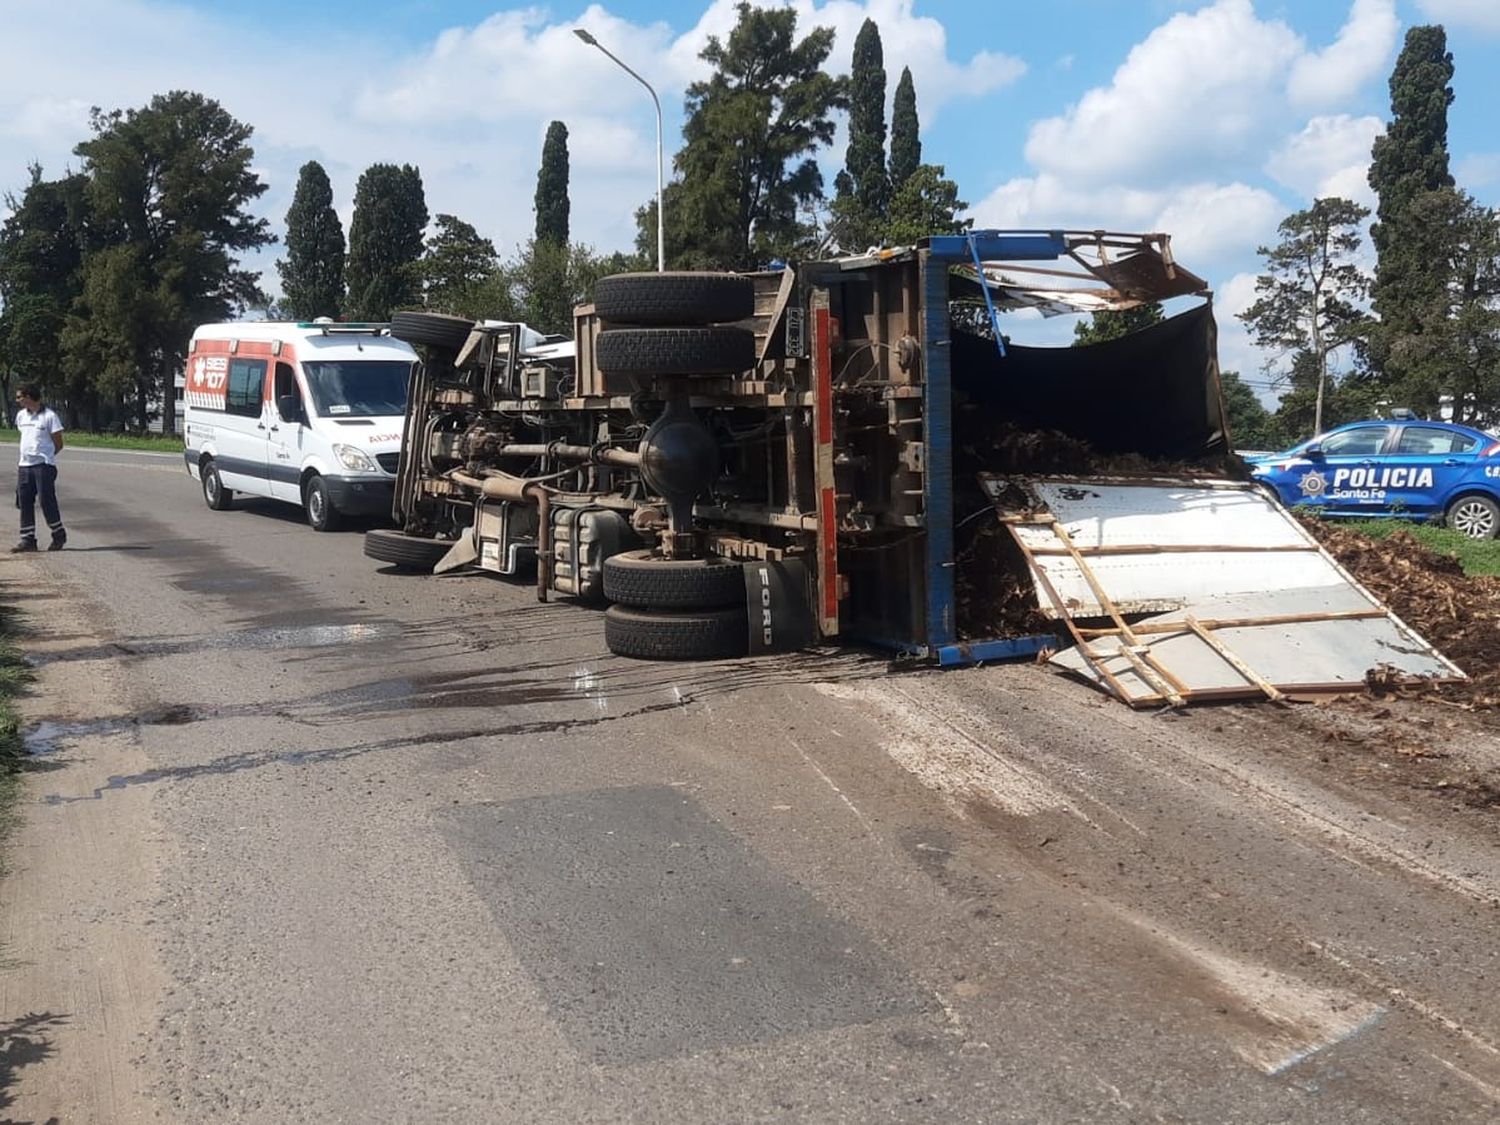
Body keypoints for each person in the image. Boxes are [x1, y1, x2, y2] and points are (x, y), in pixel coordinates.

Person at [12, 384, 66, 552]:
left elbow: (58, 443)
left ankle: (58, 534)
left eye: (20, 397)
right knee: (24, 501)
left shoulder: (49, 416)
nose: (17, 400)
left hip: (43, 466)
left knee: (46, 501)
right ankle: (28, 539)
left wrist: (47, 456)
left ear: (29, 397)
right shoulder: (21, 416)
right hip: (24, 465)